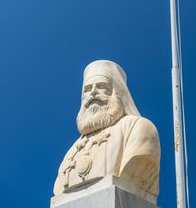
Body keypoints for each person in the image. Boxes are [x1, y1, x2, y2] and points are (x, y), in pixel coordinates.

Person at [53, 60, 160, 200]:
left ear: (117, 92)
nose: (93, 93)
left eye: (101, 86)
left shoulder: (138, 127)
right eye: (87, 89)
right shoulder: (72, 150)